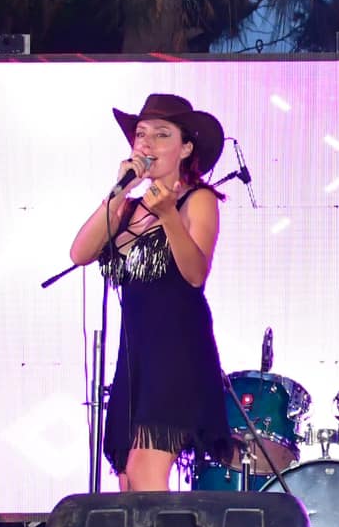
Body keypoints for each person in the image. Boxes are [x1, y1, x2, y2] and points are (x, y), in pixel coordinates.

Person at [69, 92, 232, 491]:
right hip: (135, 356)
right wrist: (118, 192)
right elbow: (80, 253)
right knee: (128, 481)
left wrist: (168, 216)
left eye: (162, 134)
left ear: (185, 148)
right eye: (141, 134)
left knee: (145, 472)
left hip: (177, 352)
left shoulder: (198, 199)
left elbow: (195, 274)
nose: (147, 143)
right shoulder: (126, 207)